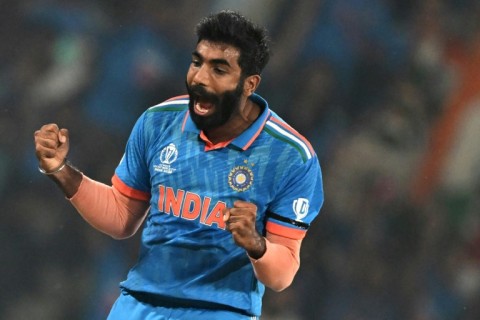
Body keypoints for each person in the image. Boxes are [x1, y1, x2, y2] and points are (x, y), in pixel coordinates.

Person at [34, 10, 324, 320]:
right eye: (197, 62)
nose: (199, 78)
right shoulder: (158, 122)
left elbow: (281, 275)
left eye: (219, 70)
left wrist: (256, 245)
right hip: (140, 306)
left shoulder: (291, 156)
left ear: (249, 84)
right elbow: (121, 217)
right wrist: (60, 170)